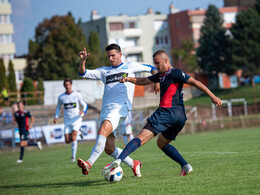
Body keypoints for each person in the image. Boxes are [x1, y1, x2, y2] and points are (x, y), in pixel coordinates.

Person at [102, 50, 222, 177]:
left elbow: (196, 83)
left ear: (166, 60)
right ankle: (185, 166)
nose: (156, 66)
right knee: (161, 143)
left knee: (141, 138)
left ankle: (118, 161)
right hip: (180, 117)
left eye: (157, 63)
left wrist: (213, 97)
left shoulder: (176, 72)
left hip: (166, 112)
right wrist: (128, 79)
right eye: (154, 63)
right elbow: (143, 81)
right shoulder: (160, 75)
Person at [77, 43, 159, 177]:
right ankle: (134, 164)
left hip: (120, 108)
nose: (111, 58)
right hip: (106, 110)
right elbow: (83, 73)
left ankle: (89, 163)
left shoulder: (130, 66)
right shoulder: (104, 71)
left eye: (113, 55)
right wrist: (82, 61)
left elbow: (152, 68)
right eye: (109, 56)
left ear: (120, 54)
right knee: (109, 148)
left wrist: (157, 81)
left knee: (103, 129)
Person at [54, 78, 88, 162]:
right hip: (67, 120)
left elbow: (85, 105)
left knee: (73, 138)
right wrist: (56, 117)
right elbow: (58, 108)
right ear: (64, 86)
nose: (67, 86)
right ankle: (79, 132)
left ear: (71, 85)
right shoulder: (61, 97)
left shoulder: (77, 95)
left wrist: (83, 113)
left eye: (69, 84)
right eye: (66, 85)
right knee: (67, 140)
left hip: (76, 119)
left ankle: (73, 157)